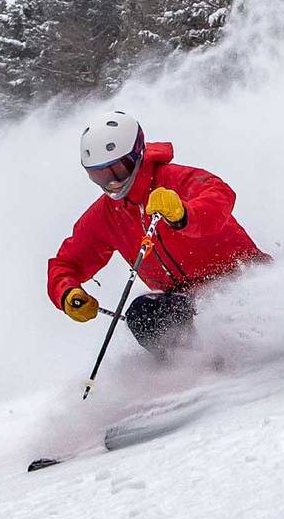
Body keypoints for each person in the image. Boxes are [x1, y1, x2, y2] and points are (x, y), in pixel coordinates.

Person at [48, 112, 270, 357]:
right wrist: (67, 293)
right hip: (188, 303)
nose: (112, 184)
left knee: (238, 315)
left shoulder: (175, 180)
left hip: (242, 279)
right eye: (100, 176)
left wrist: (183, 214)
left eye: (118, 171)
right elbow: (66, 264)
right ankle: (189, 365)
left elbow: (220, 195)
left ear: (136, 155)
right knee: (143, 314)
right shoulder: (106, 215)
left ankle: (260, 347)